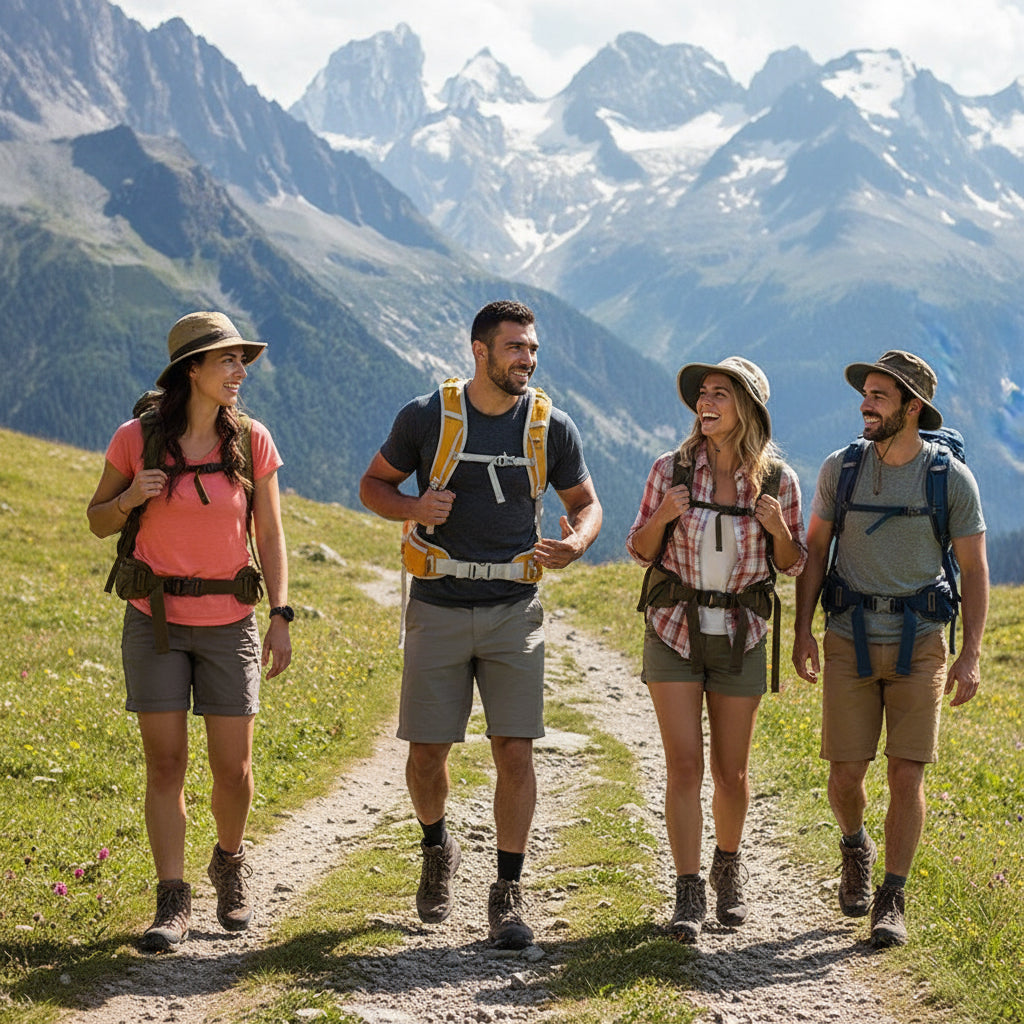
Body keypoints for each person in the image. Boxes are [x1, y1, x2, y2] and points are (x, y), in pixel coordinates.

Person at [359, 299, 602, 948]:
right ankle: (438, 848)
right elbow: (372, 486)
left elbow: (586, 503)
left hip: (513, 611)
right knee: (426, 755)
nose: (527, 359)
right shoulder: (426, 417)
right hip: (437, 604)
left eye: (532, 350)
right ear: (480, 351)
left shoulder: (551, 427)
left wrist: (576, 543)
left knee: (515, 750)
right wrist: (413, 503)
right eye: (516, 348)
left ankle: (508, 891)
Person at [87, 311, 292, 952]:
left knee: (233, 769)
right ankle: (171, 899)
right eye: (227, 360)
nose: (239, 372)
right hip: (155, 622)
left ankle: (228, 864)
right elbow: (97, 521)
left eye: (241, 361)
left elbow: (271, 534)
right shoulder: (135, 439)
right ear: (191, 371)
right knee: (166, 763)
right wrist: (128, 500)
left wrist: (281, 614)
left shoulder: (251, 440)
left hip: (232, 622)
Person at [792, 350, 988, 949]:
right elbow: (815, 552)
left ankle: (892, 898)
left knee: (907, 774)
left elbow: (976, 571)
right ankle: (855, 845)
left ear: (913, 407)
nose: (866, 403)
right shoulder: (840, 468)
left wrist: (971, 653)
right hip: (849, 634)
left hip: (921, 642)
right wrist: (802, 630)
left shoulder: (949, 478)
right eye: (867, 392)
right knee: (845, 774)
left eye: (880, 395)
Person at [627, 356, 806, 943]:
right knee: (684, 763)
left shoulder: (779, 482)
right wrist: (663, 515)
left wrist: (779, 528)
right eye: (703, 393)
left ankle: (727, 866)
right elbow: (639, 548)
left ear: (747, 408)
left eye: (720, 394)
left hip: (741, 633)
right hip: (674, 623)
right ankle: (688, 890)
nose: (706, 402)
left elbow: (790, 563)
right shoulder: (670, 470)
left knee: (731, 771)